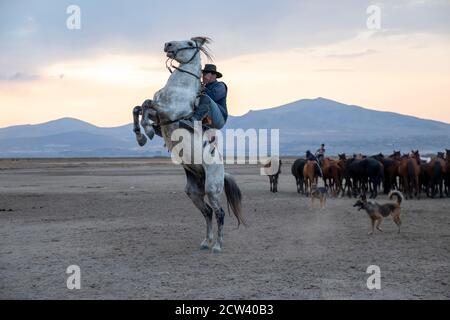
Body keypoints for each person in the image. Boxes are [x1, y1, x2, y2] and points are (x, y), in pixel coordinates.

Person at [179, 64, 228, 131]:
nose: (203, 76)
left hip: (219, 119)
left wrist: (203, 88)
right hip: (207, 118)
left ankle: (194, 121)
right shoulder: (202, 87)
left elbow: (213, 96)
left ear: (214, 75)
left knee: (205, 98)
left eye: (206, 74)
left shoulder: (220, 86)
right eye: (203, 74)